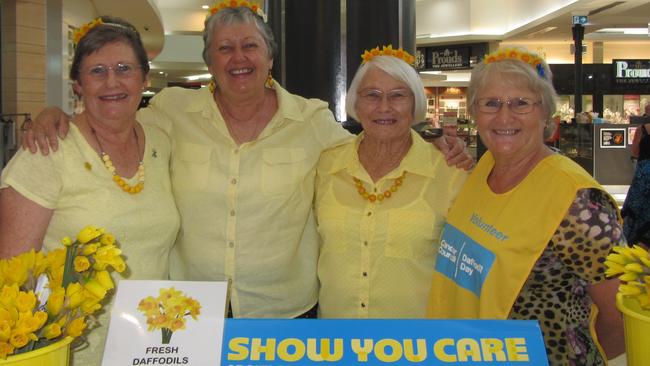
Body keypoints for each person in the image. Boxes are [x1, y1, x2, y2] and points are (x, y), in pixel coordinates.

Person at [22, 2, 472, 318]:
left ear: (270, 56)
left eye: (250, 46)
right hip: (188, 310)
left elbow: (373, 139)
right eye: (224, 48)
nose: (238, 58)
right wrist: (56, 114)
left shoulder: (311, 119)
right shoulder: (170, 113)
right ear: (210, 62)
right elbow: (113, 116)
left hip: (286, 312)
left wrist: (430, 141)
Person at [426, 48, 625, 365]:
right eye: (491, 103)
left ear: (545, 112)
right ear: (475, 112)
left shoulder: (579, 201)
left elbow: (620, 317)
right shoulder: (482, 168)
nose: (505, 117)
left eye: (521, 103)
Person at [0, 16, 180, 365]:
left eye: (124, 68)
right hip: (69, 350)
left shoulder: (160, 142)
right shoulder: (48, 151)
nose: (111, 81)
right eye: (97, 71)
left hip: (150, 344)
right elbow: (10, 273)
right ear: (78, 85)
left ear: (144, 78)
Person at [316, 46, 467, 318]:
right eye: (372, 95)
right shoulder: (325, 164)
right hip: (336, 341)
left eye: (398, 96)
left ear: (415, 104)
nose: (384, 107)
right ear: (355, 104)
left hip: (415, 346)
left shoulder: (450, 172)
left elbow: (466, 269)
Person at [622, 119, 650, 246]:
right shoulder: (641, 130)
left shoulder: (642, 130)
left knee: (638, 212)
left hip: (643, 178)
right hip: (643, 179)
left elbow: (634, 152)